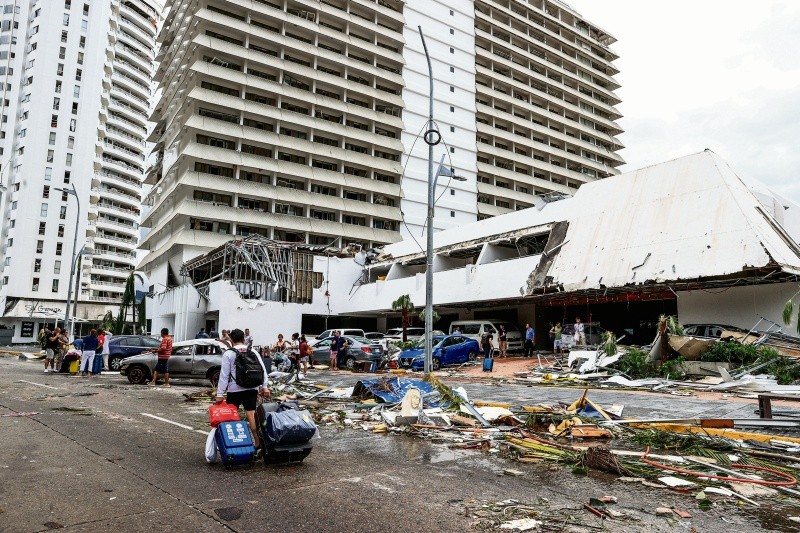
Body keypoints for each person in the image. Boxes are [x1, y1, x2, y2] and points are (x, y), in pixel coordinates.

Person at [215, 328, 270, 452]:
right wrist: (265, 386)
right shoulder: (253, 351)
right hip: (252, 388)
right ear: (244, 339)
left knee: (231, 416)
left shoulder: (229, 353)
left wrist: (220, 394)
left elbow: (224, 375)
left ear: (231, 340)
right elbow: (263, 370)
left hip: (234, 389)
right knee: (251, 414)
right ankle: (257, 442)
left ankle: (235, 442)